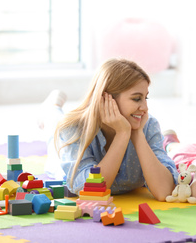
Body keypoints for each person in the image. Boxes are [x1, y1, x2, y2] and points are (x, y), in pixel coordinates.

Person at [39, 58, 178, 201]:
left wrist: (136, 133)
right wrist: (122, 134)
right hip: (61, 159)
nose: (145, 108)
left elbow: (164, 191)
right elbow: (87, 190)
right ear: (106, 99)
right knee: (54, 125)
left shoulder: (147, 126)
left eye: (145, 98)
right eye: (136, 99)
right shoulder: (73, 129)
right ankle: (52, 107)